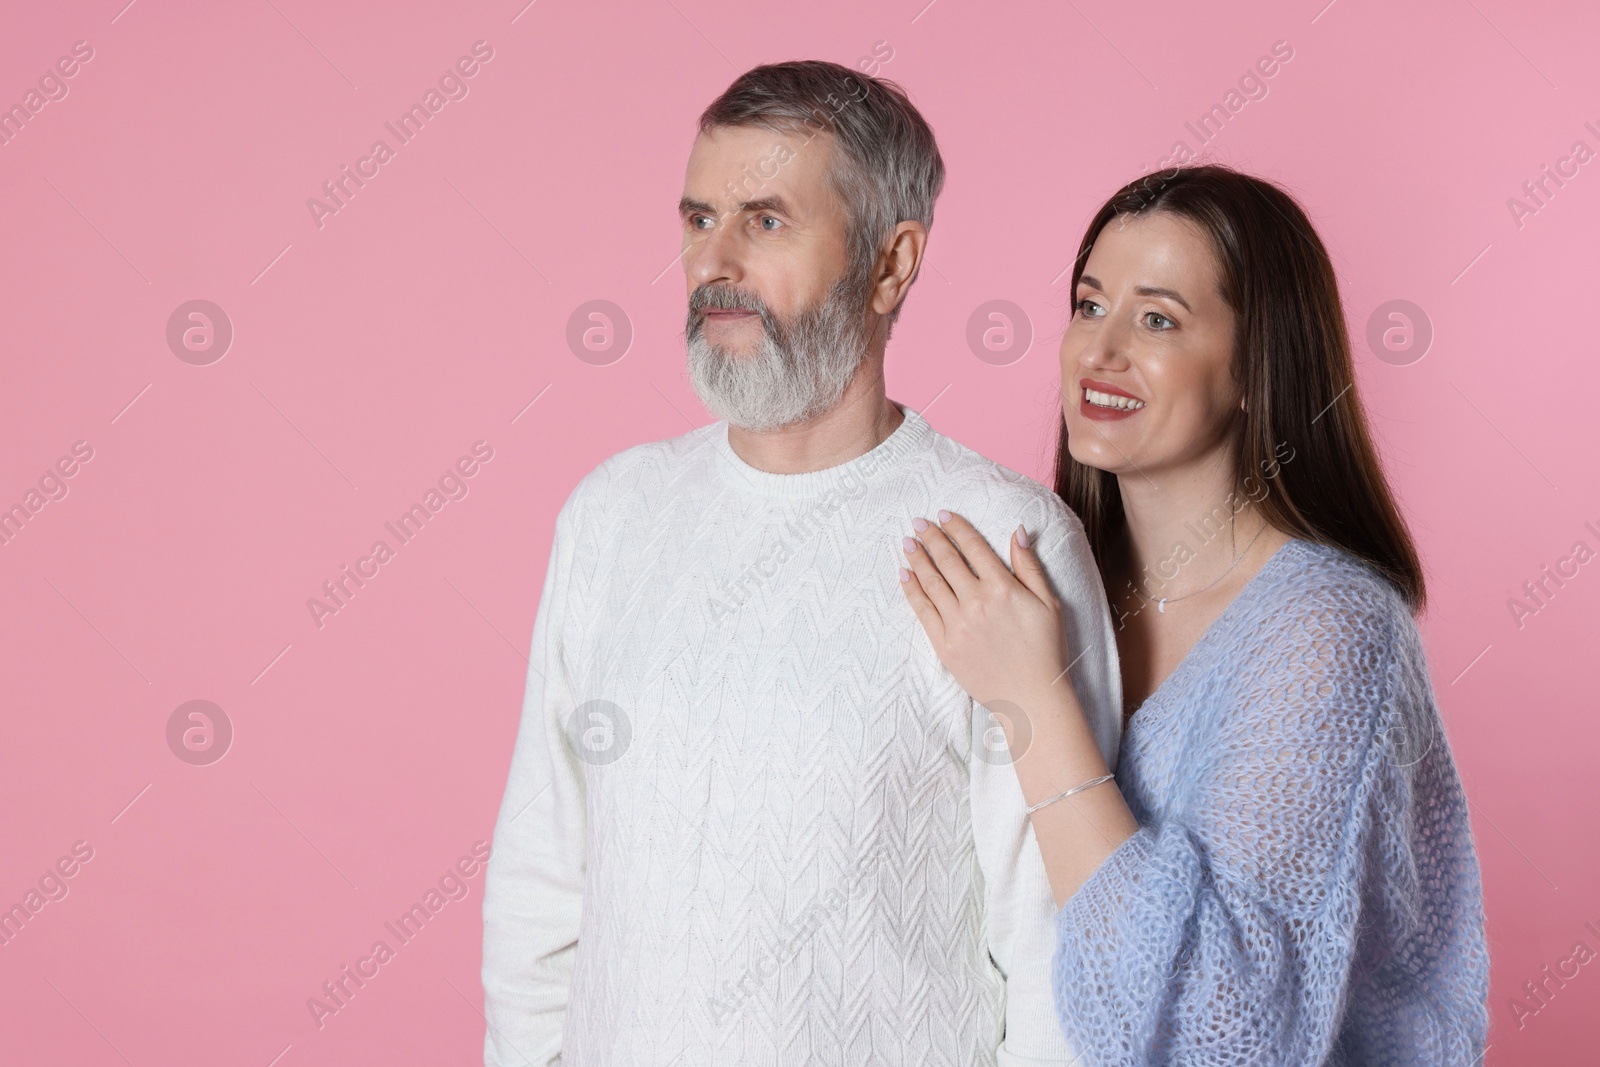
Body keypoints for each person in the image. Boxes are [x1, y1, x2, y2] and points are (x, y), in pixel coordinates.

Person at [480, 60, 1124, 1065]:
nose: (714, 261)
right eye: (698, 219)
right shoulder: (610, 516)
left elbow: (1057, 949)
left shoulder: (1004, 542)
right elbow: (541, 875)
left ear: (889, 265)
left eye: (765, 221)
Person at [896, 164, 1491, 1064]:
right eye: (1090, 306)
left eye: (1158, 319)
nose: (1100, 352)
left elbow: (1225, 1029)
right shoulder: (1057, 585)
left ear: (1258, 368)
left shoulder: (1331, 630)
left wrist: (1037, 702)